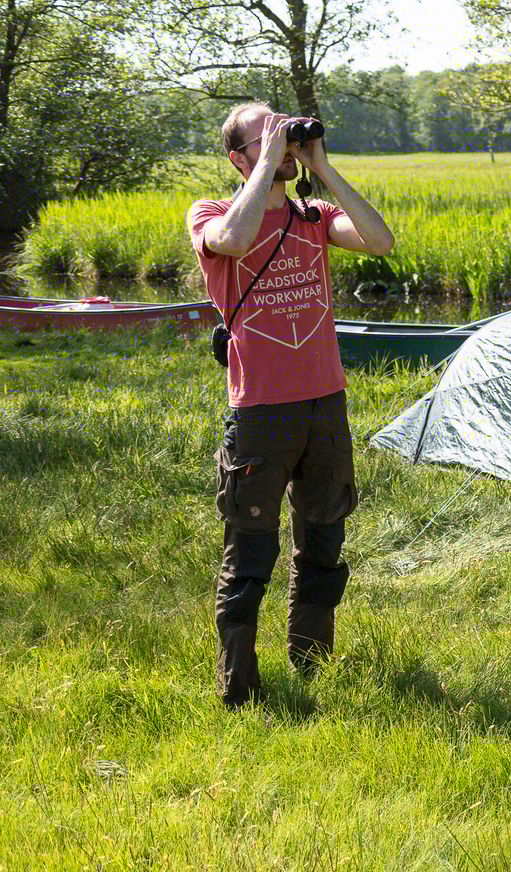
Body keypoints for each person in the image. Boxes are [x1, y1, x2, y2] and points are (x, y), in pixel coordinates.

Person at [188, 103, 395, 708]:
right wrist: (270, 164)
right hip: (261, 412)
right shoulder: (211, 213)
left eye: (285, 127)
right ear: (239, 158)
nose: (282, 140)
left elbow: (381, 242)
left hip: (325, 405)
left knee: (323, 543)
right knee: (251, 552)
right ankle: (240, 690)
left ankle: (312, 663)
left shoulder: (314, 216)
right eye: (267, 135)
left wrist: (321, 168)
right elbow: (233, 241)